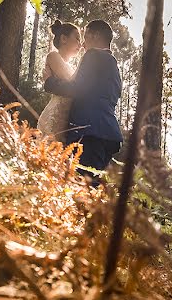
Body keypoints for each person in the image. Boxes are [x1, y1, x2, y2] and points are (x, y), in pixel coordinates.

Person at [43, 19, 122, 181]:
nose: (83, 45)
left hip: (89, 133)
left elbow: (76, 88)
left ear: (94, 35)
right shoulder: (113, 66)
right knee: (92, 188)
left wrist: (49, 82)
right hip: (107, 134)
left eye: (85, 37)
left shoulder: (93, 55)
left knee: (83, 189)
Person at [37, 20, 82, 138]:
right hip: (52, 118)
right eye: (77, 38)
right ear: (64, 39)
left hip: (66, 124)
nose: (80, 44)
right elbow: (72, 82)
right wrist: (84, 61)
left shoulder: (72, 67)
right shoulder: (53, 56)